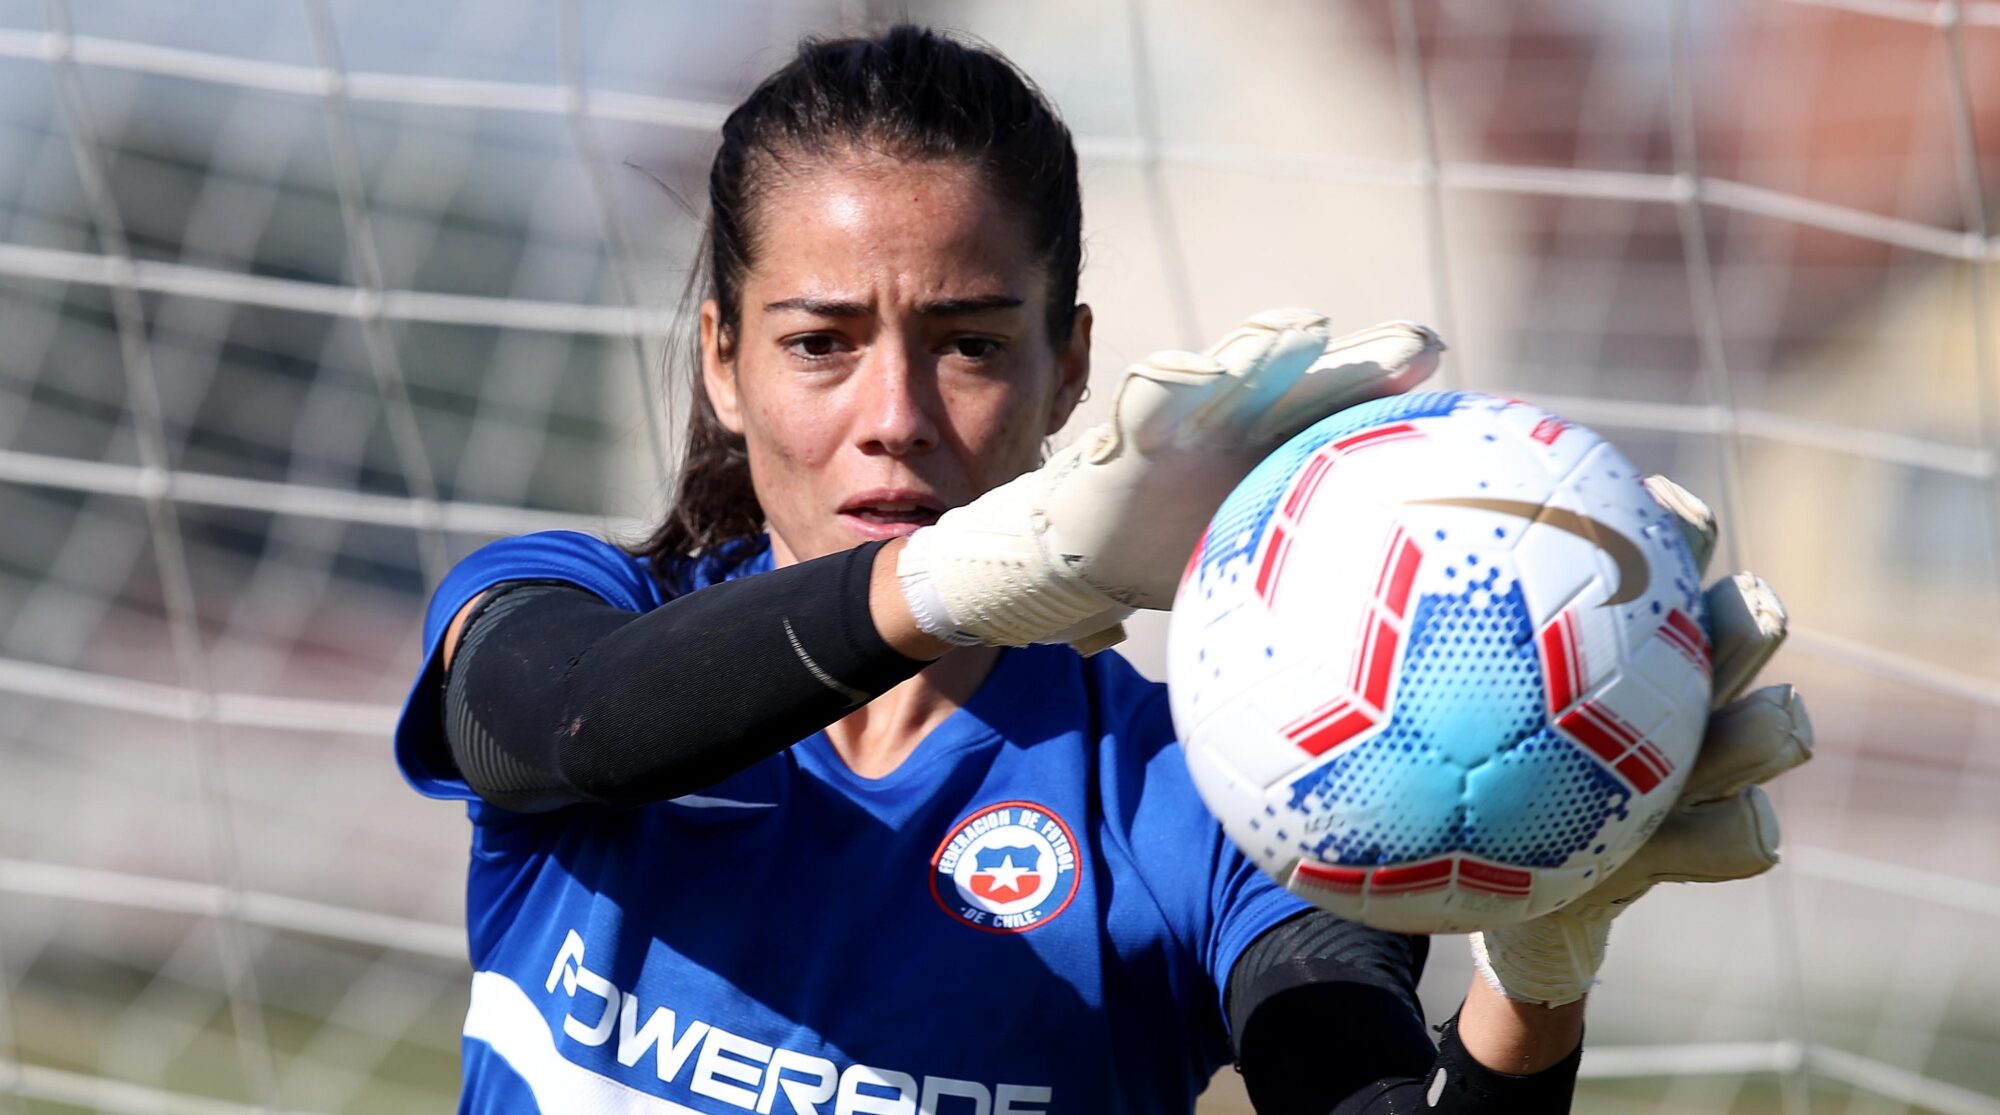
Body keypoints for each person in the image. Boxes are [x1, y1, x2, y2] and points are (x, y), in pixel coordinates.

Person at [393, 25, 1812, 1114]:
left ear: (1069, 365)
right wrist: (981, 568)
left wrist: (1537, 986)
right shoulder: (575, 613)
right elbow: (568, 727)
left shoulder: (1211, 793)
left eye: (970, 341)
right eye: (820, 342)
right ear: (722, 361)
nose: (892, 414)